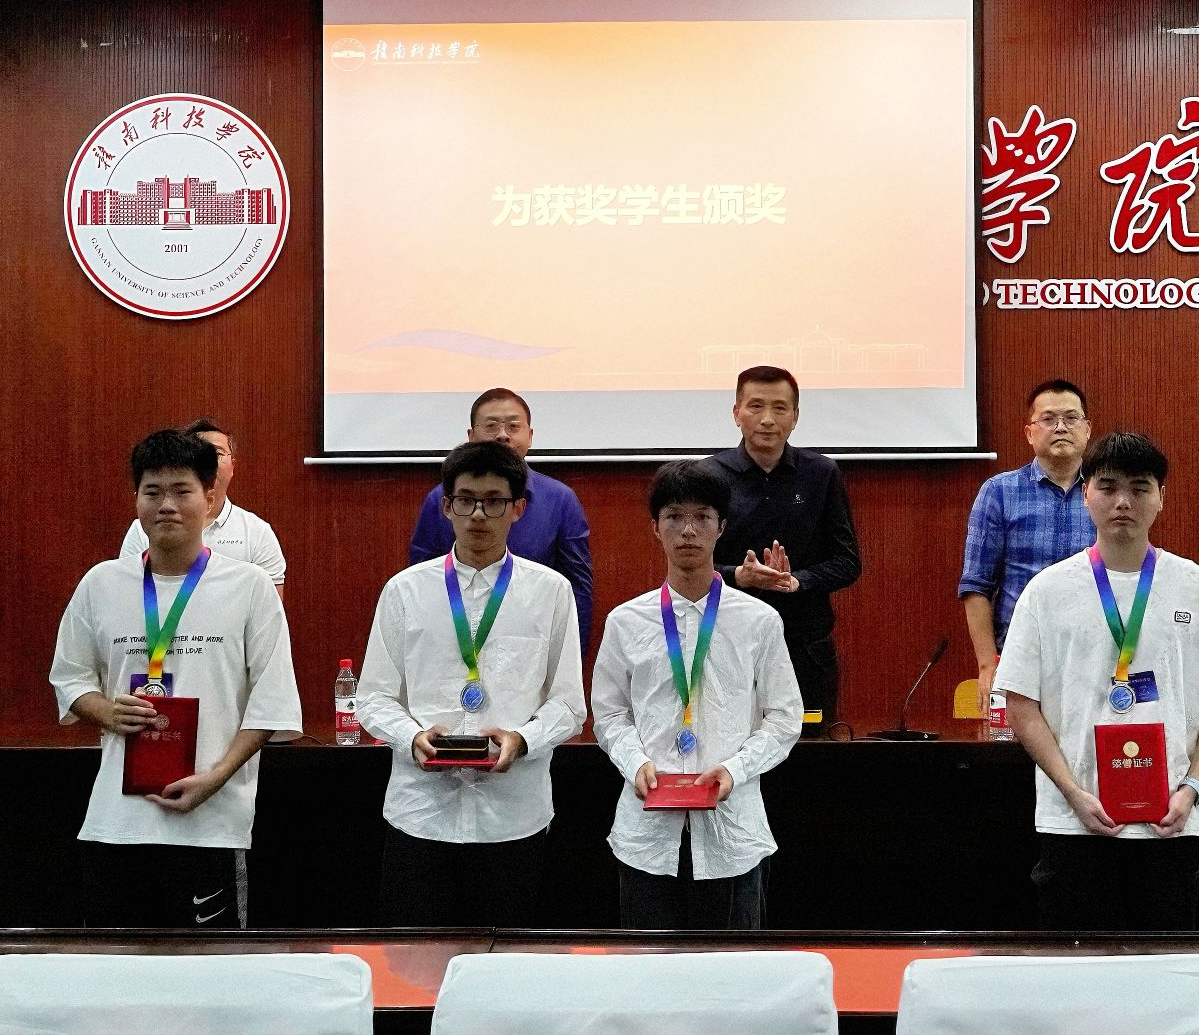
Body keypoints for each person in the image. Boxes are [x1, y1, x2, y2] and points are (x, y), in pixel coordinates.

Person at [998, 431, 1199, 931]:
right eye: (1108, 487)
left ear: (1161, 497)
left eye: (1140, 488)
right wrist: (1073, 793)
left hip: (1172, 822)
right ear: (1086, 494)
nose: (1123, 502)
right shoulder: (1046, 592)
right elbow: (1020, 705)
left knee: (1165, 965)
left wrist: (1191, 789)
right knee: (1079, 965)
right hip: (1074, 822)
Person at [50, 428, 303, 928]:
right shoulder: (101, 583)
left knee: (205, 967)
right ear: (136, 500)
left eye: (181, 490)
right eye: (153, 491)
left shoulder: (249, 587)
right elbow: (70, 678)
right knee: (114, 966)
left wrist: (215, 777)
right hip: (115, 823)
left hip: (210, 825)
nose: (166, 505)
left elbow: (271, 703)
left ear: (209, 497)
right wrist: (107, 711)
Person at [357, 439, 586, 926]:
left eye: (494, 501)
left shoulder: (551, 591)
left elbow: (569, 705)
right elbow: (373, 698)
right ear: (446, 507)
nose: (479, 515)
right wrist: (411, 736)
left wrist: (522, 740)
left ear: (518, 509)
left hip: (512, 818)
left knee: (504, 963)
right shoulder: (404, 590)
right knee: (415, 962)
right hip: (421, 814)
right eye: (466, 500)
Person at [593, 460, 803, 929]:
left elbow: (784, 717)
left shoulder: (759, 620)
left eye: (702, 517)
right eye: (674, 517)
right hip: (647, 833)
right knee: (649, 966)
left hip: (733, 832)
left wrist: (735, 769)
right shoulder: (626, 621)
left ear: (721, 526)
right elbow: (609, 715)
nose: (688, 530)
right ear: (655, 527)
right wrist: (634, 762)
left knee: (732, 968)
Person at [705, 366, 861, 731]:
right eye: (755, 406)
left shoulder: (821, 474)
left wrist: (798, 580)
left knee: (807, 748)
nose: (767, 419)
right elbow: (690, 565)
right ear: (736, 413)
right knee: (727, 745)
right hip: (727, 645)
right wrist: (738, 575)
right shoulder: (709, 476)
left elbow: (848, 562)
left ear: (795, 417)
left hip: (805, 647)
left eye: (779, 408)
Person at [409, 388, 594, 648]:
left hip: (530, 642)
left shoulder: (560, 500)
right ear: (471, 437)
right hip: (453, 639)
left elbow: (578, 589)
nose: (503, 435)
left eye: (513, 426)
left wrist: (572, 654)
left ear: (530, 436)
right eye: (491, 426)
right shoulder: (442, 498)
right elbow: (421, 581)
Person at [958, 379, 1098, 692]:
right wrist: (987, 664)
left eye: (1071, 418)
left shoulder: (1106, 492)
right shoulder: (999, 492)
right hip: (1019, 656)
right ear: (1029, 433)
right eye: (1048, 419)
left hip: (1095, 655)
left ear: (1088, 429)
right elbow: (976, 585)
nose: (1060, 427)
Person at [120, 417, 287, 588]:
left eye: (217, 453)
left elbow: (271, 600)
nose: (209, 462)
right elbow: (128, 589)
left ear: (233, 466)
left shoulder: (256, 531)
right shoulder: (143, 528)